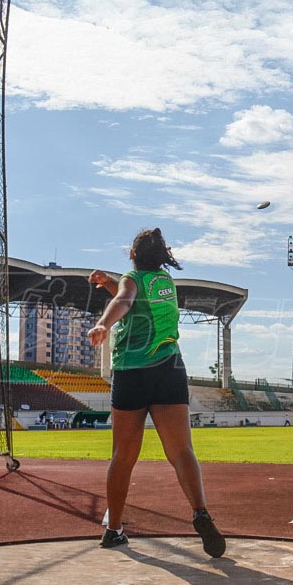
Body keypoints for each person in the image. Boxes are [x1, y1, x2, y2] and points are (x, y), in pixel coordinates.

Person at [87, 228, 225, 556]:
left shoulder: (131, 280)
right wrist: (109, 282)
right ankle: (200, 512)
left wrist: (104, 323)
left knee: (123, 456)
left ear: (133, 255)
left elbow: (125, 299)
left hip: (132, 372)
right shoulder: (165, 284)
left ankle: (114, 529)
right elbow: (131, 296)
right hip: (169, 368)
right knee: (181, 452)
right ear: (162, 256)